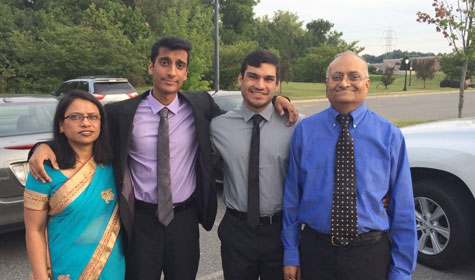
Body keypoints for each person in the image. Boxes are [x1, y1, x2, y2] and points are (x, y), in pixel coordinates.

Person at [29, 36, 298, 280]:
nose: (171, 71)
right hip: (141, 220)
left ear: (186, 72)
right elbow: (85, 132)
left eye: (179, 65)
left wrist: (279, 100)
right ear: (151, 66)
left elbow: (246, 115)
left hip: (184, 219)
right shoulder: (123, 113)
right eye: (165, 62)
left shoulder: (200, 105)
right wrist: (44, 146)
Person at [282, 51, 417, 280]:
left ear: (367, 84)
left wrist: (401, 271)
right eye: (336, 77)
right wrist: (291, 253)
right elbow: (292, 197)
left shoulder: (389, 135)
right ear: (327, 84)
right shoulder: (305, 132)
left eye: (353, 76)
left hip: (370, 255)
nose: (344, 83)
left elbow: (402, 207)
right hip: (315, 252)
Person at [211, 50, 299, 280]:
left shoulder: (296, 126)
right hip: (236, 230)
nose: (260, 85)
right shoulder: (218, 127)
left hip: (280, 231)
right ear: (240, 79)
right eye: (253, 76)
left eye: (269, 79)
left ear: (278, 85)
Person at [24, 90, 125, 280]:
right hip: (66, 266)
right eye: (75, 117)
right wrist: (40, 276)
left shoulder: (113, 163)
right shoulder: (44, 171)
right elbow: (34, 230)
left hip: (113, 266)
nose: (85, 123)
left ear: (101, 124)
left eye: (93, 117)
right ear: (61, 124)